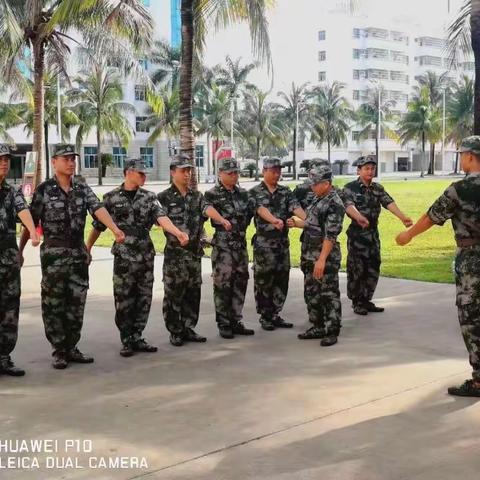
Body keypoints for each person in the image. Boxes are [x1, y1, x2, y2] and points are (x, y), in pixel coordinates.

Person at [19, 144, 125, 369]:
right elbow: (31, 222)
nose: (71, 162)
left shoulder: (82, 187)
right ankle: (59, 349)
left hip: (77, 254)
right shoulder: (44, 189)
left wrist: (114, 229)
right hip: (54, 256)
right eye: (66, 159)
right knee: (54, 303)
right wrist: (20, 250)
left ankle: (72, 346)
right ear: (54, 162)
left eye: (72, 159)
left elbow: (97, 208)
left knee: (77, 302)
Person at [396, 135, 480, 397]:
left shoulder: (460, 189)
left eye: (462, 155)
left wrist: (408, 235)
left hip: (472, 260)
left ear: (469, 156)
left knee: (471, 317)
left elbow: (432, 216)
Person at [87, 159, 188, 356]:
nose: (144, 176)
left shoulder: (150, 197)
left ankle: (138, 336)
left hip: (145, 255)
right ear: (128, 173)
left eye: (144, 173)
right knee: (124, 299)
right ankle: (126, 338)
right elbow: (98, 226)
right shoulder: (110, 198)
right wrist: (88, 248)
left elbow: (162, 218)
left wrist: (177, 232)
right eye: (140, 173)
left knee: (144, 297)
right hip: (124, 258)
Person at [341, 155, 412, 315]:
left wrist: (402, 217)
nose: (370, 171)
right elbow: (348, 206)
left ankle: (366, 299)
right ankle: (357, 301)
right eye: (366, 168)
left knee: (373, 266)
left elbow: (388, 202)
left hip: (373, 234)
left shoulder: (377, 188)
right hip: (358, 235)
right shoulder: (350, 188)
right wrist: (359, 217)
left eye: (372, 168)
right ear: (358, 170)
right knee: (357, 268)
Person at [157, 155, 212, 347]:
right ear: (173, 172)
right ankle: (175, 330)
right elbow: (160, 221)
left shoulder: (197, 196)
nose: (187, 174)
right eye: (183, 170)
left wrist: (216, 223)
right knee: (173, 294)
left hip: (194, 254)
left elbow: (205, 214)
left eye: (189, 170)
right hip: (175, 255)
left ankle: (189, 328)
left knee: (193, 293)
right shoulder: (163, 198)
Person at [288, 164, 345, 346]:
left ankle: (331, 330)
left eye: (315, 183)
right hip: (309, 254)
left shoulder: (334, 203)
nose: (311, 186)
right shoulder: (318, 198)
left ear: (326, 183)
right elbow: (313, 223)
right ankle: (317, 325)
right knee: (312, 292)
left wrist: (321, 260)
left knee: (328, 294)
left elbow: (330, 235)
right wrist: (298, 224)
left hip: (324, 256)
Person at [249, 157, 306, 331]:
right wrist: (274, 220)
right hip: (264, 245)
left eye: (279, 171)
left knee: (281, 279)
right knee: (264, 280)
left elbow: (296, 208)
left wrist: (307, 219)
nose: (277, 174)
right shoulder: (254, 192)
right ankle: (265, 315)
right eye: (273, 171)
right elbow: (259, 208)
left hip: (282, 244)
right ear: (263, 171)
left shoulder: (286, 192)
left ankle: (275, 313)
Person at [204, 158, 255, 339]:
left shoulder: (244, 194)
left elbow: (253, 211)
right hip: (223, 246)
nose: (233, 176)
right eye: (229, 173)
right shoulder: (212, 194)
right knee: (223, 284)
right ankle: (224, 323)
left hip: (240, 244)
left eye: (236, 173)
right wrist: (221, 219)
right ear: (220, 174)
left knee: (240, 282)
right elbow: (206, 208)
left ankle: (236, 320)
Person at [0, 144, 40, 376]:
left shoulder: (11, 191)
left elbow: (22, 210)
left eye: (6, 160)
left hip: (7, 259)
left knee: (9, 310)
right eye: (0, 160)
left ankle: (4, 358)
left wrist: (33, 232)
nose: (4, 163)